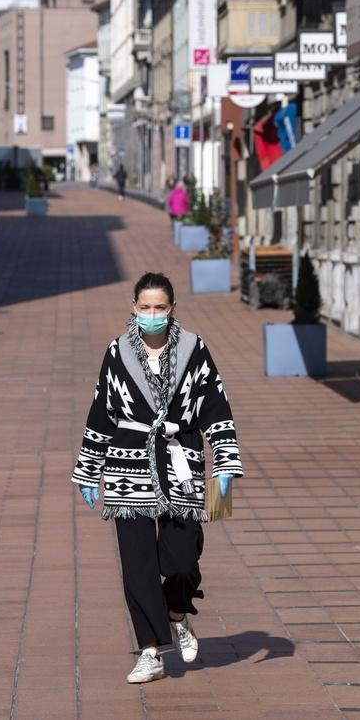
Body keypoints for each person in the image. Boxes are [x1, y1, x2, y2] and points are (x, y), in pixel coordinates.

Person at [71, 272, 243, 684]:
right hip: (127, 463)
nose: (152, 315)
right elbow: (101, 411)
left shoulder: (193, 349)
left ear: (172, 309)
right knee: (137, 564)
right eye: (144, 308)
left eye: (159, 308)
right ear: (133, 308)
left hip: (181, 459)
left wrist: (224, 463)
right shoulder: (117, 353)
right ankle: (150, 651)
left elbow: (216, 407)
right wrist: (88, 468)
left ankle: (176, 611)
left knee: (183, 555)